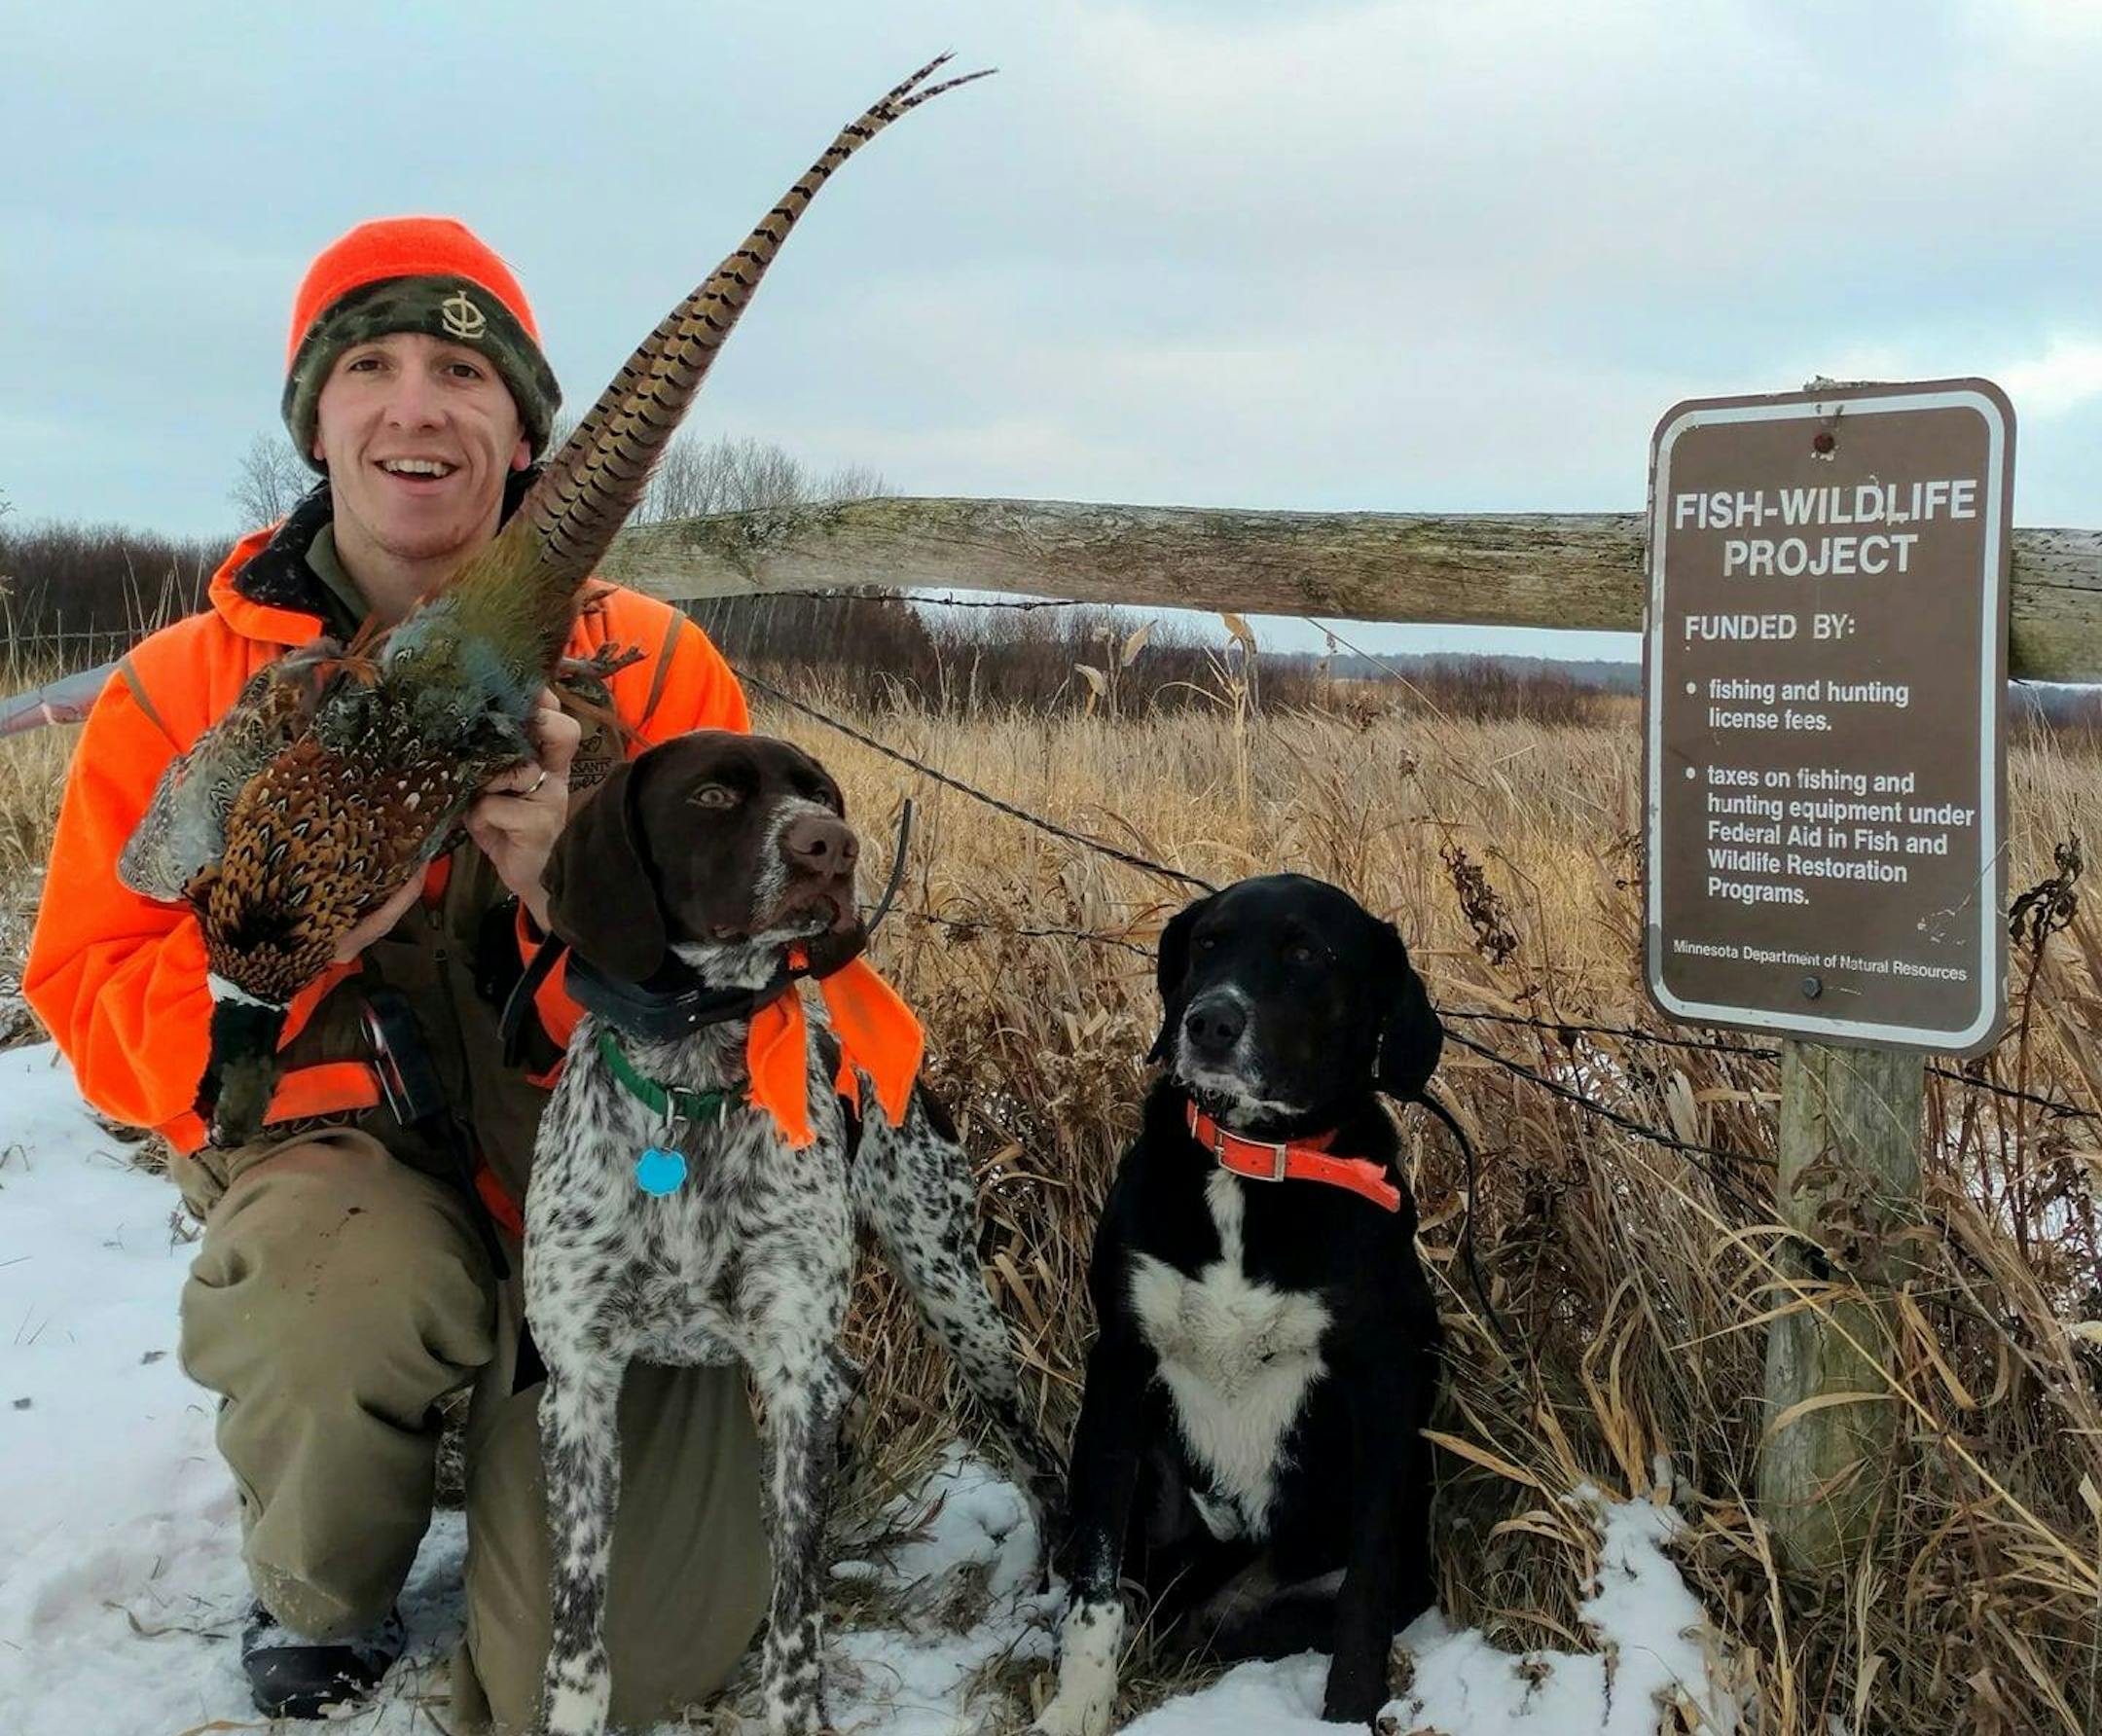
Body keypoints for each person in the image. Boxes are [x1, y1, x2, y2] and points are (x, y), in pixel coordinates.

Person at [23, 217, 770, 1730]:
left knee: (622, 1665)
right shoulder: (187, 686)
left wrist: (587, 896)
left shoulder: (660, 665)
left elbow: (771, 1019)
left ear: (524, 427)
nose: (416, 406)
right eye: (370, 365)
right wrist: (292, 957)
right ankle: (322, 1584)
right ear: (316, 418)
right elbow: (91, 987)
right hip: (339, 1168)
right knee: (333, 1286)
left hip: (623, 1178)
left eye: (460, 369)